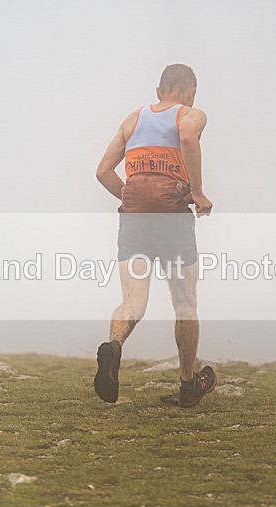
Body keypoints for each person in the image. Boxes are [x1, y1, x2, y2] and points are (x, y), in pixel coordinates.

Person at [93, 64, 216, 407]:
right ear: (190, 92)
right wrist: (198, 192)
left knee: (133, 301)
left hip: (133, 218)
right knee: (185, 302)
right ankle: (188, 384)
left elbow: (103, 172)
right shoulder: (191, 114)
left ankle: (114, 346)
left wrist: (134, 200)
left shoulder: (132, 120)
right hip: (172, 217)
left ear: (158, 91)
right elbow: (189, 138)